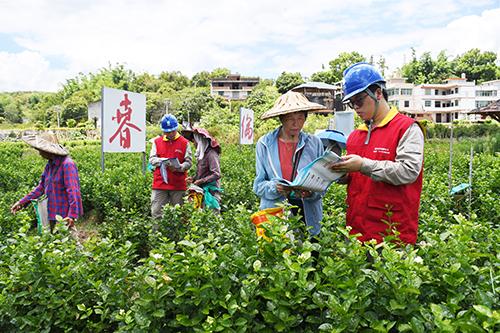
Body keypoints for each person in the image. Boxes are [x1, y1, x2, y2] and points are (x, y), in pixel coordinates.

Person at [330, 62, 424, 244]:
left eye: (359, 101)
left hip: (391, 235)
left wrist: (363, 165)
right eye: (351, 103)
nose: (355, 107)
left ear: (378, 93)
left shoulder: (406, 128)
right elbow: (355, 177)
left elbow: (409, 171)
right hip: (356, 231)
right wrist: (339, 173)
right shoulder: (356, 136)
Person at [253, 91, 326, 237]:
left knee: (310, 255)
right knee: (280, 253)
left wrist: (311, 192)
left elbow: (322, 183)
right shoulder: (265, 144)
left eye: (300, 118)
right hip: (277, 212)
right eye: (290, 119)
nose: (296, 123)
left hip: (308, 213)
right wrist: (275, 187)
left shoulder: (314, 143)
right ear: (281, 119)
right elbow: (258, 186)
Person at [10, 132, 83, 233]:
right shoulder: (49, 165)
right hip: (52, 212)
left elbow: (73, 191)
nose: (39, 153)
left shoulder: (67, 165)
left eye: (40, 150)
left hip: (64, 216)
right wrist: (21, 202)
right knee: (54, 244)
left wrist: (72, 215)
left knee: (71, 245)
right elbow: (41, 188)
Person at [149, 114, 192, 219]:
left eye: (172, 131)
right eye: (167, 132)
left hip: (178, 184)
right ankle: (158, 235)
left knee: (180, 214)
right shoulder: (156, 142)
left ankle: (178, 235)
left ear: (176, 129)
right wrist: (162, 161)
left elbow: (189, 162)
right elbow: (152, 159)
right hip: (160, 183)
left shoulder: (184, 143)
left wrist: (180, 167)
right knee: (156, 212)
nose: (170, 134)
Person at [183, 127, 223, 211]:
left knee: (212, 217)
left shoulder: (211, 154)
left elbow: (217, 173)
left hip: (211, 192)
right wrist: (193, 179)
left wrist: (201, 181)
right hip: (201, 191)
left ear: (199, 141)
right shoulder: (202, 154)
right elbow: (203, 173)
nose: (193, 143)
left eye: (194, 141)